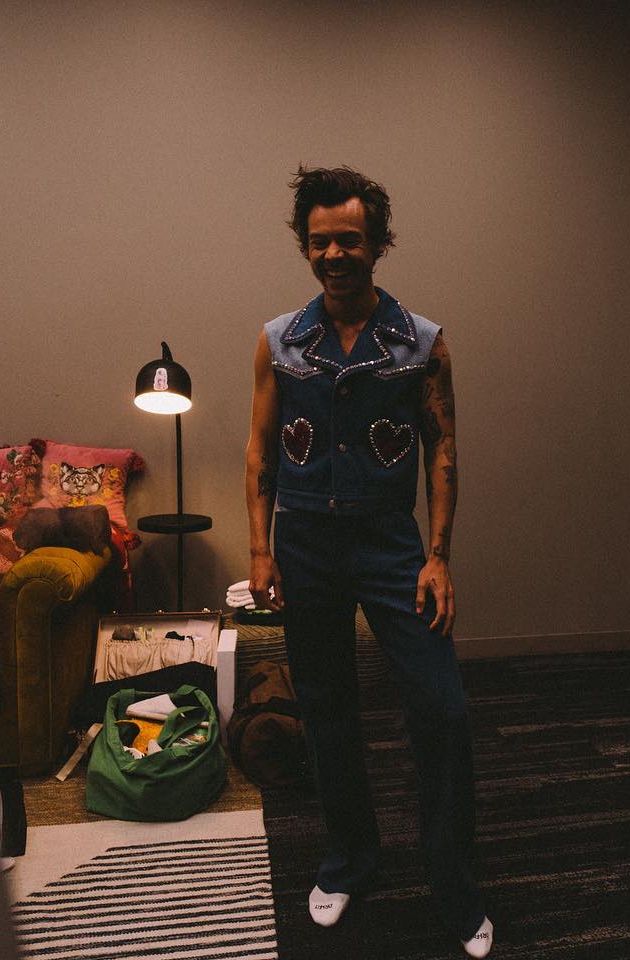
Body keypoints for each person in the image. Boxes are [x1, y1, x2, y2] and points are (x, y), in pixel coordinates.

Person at [244, 165, 492, 958]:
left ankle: (453, 883)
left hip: (391, 545)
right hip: (305, 544)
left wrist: (439, 557)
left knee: (442, 711)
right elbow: (260, 450)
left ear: (377, 243)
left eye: (348, 240)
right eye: (320, 242)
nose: (334, 255)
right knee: (326, 707)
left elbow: (443, 451)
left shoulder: (421, 342)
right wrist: (261, 549)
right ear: (304, 245)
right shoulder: (280, 341)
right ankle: (349, 858)